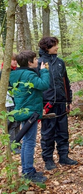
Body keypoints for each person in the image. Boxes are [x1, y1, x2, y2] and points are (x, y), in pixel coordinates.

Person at [9, 50, 50, 183]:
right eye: (35, 59)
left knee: (27, 141)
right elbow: (43, 85)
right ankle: (27, 172)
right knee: (29, 142)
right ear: (29, 62)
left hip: (24, 111)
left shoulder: (15, 74)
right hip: (29, 112)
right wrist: (44, 71)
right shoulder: (28, 75)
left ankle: (28, 170)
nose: (38, 61)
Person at [37, 36, 77, 170]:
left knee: (63, 131)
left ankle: (64, 156)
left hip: (61, 102)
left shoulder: (60, 62)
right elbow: (36, 85)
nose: (57, 47)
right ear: (47, 47)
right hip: (47, 104)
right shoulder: (39, 63)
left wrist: (69, 100)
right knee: (48, 133)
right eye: (54, 45)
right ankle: (48, 160)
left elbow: (66, 82)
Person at [1, 54, 20, 152]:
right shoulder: (4, 72)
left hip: (17, 100)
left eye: (16, 60)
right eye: (13, 60)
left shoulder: (16, 71)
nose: (15, 62)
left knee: (17, 122)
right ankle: (12, 144)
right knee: (11, 123)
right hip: (8, 101)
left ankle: (16, 141)